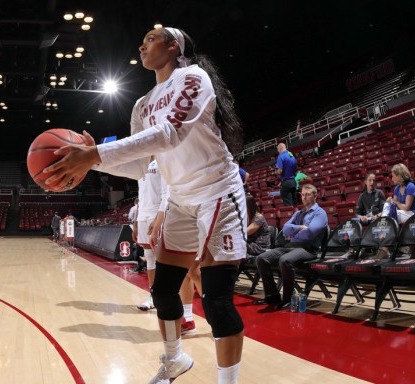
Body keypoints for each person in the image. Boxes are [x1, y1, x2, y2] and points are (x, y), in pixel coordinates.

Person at [42, 27, 246, 384]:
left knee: (216, 300)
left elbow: (169, 134)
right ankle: (174, 359)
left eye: (151, 38)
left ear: (173, 46)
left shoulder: (193, 78)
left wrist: (95, 153)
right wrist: (94, 161)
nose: (142, 44)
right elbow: (142, 165)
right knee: (163, 291)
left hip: (217, 191)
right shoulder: (142, 104)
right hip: (180, 198)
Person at [254, 184, 327, 310]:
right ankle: (272, 296)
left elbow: (310, 233)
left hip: (308, 249)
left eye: (308, 194)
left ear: (315, 196)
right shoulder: (299, 213)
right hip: (291, 246)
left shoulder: (320, 213)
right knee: (261, 259)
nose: (304, 197)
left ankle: (287, 299)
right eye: (303, 194)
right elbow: (285, 229)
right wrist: (299, 228)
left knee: (285, 260)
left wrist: (295, 233)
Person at [135, 157, 169, 312]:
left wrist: (157, 220)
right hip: (142, 215)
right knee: (149, 259)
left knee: (163, 258)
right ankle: (153, 296)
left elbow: (165, 194)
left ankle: (169, 295)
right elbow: (140, 196)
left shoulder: (163, 160)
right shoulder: (140, 164)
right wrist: (136, 220)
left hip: (157, 213)